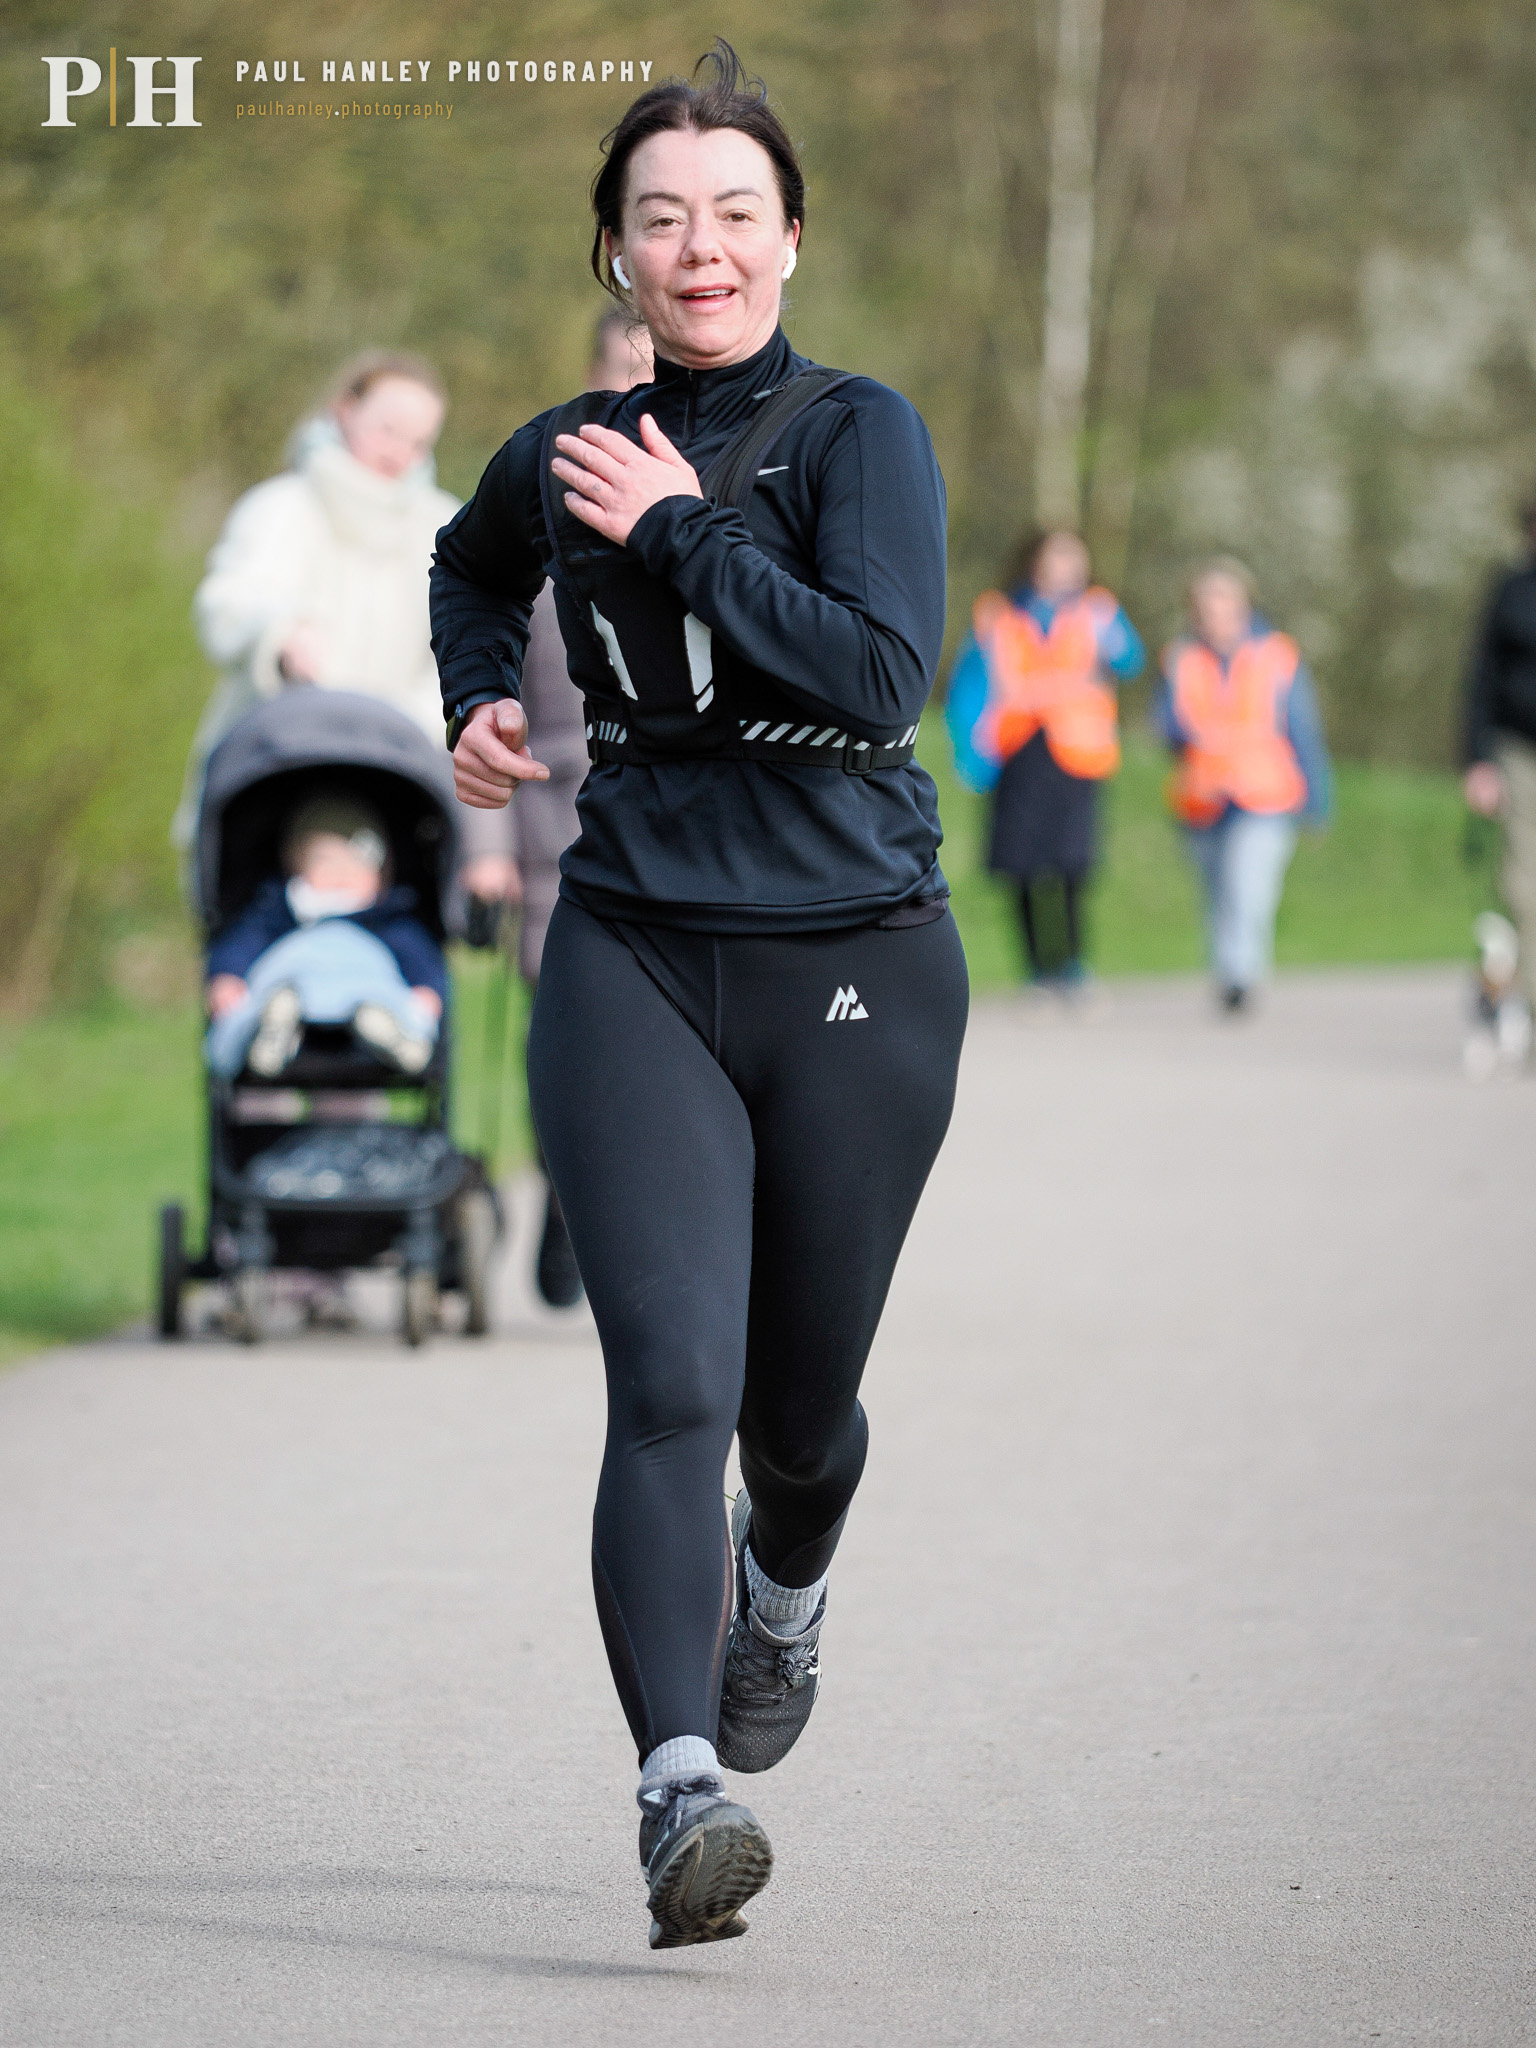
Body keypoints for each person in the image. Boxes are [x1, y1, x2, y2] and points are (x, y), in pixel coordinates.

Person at [430, 42, 968, 1948]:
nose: (700, 244)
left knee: (793, 1418)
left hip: (853, 964)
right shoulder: (559, 456)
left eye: (736, 211)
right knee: (667, 1384)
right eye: (662, 216)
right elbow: (466, 557)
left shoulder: (855, 434)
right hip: (636, 946)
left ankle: (788, 1583)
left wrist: (677, 531)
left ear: (791, 238)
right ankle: (678, 1789)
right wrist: (480, 697)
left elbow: (876, 673)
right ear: (617, 250)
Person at [457, 311, 655, 1307]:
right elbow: (484, 697)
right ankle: (567, 1206)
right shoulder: (535, 507)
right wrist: (485, 840)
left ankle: (628, 1223)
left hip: (673, 823)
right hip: (554, 831)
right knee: (571, 1039)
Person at [175, 352, 459, 847]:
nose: (399, 454)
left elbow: (455, 651)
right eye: (388, 430)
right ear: (344, 411)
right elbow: (226, 606)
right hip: (269, 766)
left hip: (389, 781)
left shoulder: (445, 530)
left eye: (418, 443)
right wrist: (281, 635)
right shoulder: (282, 505)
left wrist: (410, 730)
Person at [946, 529, 1143, 988]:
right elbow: (970, 685)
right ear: (1034, 561)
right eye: (1057, 557)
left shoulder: (1098, 611)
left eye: (1074, 558)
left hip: (1077, 752)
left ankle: (1074, 964)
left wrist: (1110, 638)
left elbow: (1131, 661)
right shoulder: (999, 614)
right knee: (1021, 862)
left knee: (1073, 862)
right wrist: (970, 754)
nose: (1066, 567)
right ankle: (1036, 969)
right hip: (1018, 750)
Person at [1154, 557, 1331, 1011]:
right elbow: (1167, 728)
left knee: (1247, 887)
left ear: (1244, 604)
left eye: (1225, 603)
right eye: (1206, 606)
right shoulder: (1180, 658)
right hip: (1203, 798)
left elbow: (1303, 729)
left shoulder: (1276, 655)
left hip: (1265, 794)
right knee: (1217, 892)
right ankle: (1228, 971)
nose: (1216, 615)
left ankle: (1242, 975)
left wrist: (1318, 800)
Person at [205, 795, 446, 1079]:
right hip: (295, 984)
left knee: (399, 1000)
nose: (342, 875)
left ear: (382, 874)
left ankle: (395, 1032)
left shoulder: (388, 918)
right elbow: (243, 942)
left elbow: (419, 955)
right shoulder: (281, 910)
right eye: (326, 862)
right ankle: (271, 1030)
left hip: (366, 990)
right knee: (260, 996)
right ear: (296, 865)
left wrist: (428, 991)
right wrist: (227, 975)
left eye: (357, 864)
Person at [1462, 495, 1536, 1023]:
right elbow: (1481, 680)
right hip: (1519, 749)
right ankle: (1530, 1003)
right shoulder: (1511, 590)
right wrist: (1480, 761)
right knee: (1522, 879)